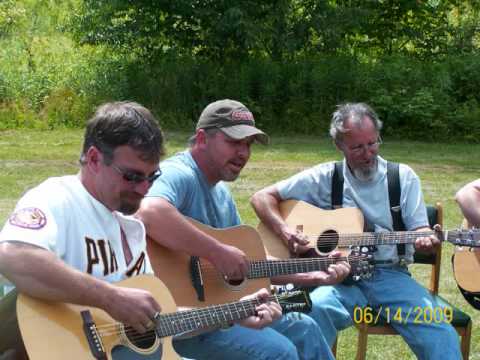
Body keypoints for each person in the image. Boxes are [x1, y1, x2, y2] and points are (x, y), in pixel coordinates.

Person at [0, 101, 279, 359]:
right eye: (132, 176)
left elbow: (158, 321)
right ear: (95, 159)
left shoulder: (132, 229)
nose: (144, 188)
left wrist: (231, 314)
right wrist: (109, 298)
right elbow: (13, 256)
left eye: (152, 176)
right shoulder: (59, 198)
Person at [137, 99, 348, 360]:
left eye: (247, 145)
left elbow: (248, 264)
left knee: (305, 329)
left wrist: (314, 273)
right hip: (186, 321)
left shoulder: (221, 193)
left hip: (227, 310)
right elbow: (149, 212)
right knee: (279, 353)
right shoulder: (180, 174)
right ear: (202, 138)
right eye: (234, 142)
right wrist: (217, 252)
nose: (243, 153)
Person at [251, 102, 462, 360]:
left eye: (373, 143)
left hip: (391, 277)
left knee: (441, 332)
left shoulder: (403, 177)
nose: (368, 153)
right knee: (312, 313)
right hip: (339, 279)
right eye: (357, 147)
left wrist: (426, 239)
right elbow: (262, 198)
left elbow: (420, 228)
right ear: (339, 145)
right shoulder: (326, 176)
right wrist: (286, 233)